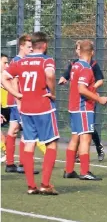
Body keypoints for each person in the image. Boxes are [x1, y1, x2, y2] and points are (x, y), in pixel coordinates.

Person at [2, 31, 60, 195]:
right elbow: (50, 74)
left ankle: (31, 186)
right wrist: (53, 91)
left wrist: (17, 94)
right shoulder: (46, 60)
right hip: (44, 107)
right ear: (44, 45)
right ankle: (45, 184)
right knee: (51, 143)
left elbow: (3, 77)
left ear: (32, 45)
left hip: (26, 109)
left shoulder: (21, 61)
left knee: (28, 144)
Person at [63, 40, 107, 180]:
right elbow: (81, 89)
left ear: (79, 51)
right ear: (92, 52)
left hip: (74, 106)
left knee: (75, 137)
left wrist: (92, 92)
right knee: (86, 138)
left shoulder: (75, 66)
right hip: (83, 108)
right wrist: (98, 99)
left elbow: (77, 87)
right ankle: (84, 172)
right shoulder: (86, 68)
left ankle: (69, 170)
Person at [4, 35, 44, 174]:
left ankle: (10, 164)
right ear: (21, 46)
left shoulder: (23, 61)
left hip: (15, 101)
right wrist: (19, 100)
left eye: (32, 47)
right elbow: (13, 82)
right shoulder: (18, 61)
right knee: (27, 131)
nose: (31, 49)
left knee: (14, 129)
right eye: (28, 47)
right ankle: (23, 164)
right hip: (18, 101)